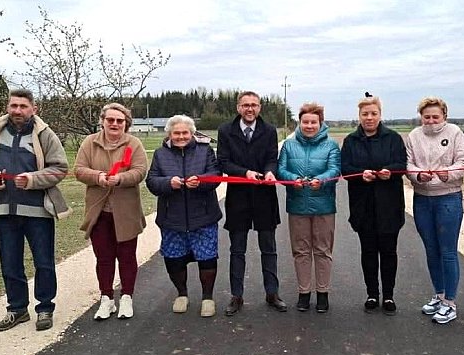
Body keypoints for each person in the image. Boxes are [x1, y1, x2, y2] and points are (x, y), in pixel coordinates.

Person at [0, 88, 71, 332]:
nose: (18, 110)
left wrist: (33, 179)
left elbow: (59, 168)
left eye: (23, 106)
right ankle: (17, 310)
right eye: (14, 105)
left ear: (33, 109)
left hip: (38, 211)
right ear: (8, 107)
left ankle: (45, 307)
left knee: (44, 263)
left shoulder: (44, 134)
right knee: (10, 263)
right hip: (4, 209)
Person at [75, 103, 148, 320]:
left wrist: (121, 179)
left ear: (126, 123)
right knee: (103, 257)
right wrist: (97, 177)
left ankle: (127, 297)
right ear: (103, 121)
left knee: (126, 256)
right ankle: (106, 298)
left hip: (125, 211)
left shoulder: (133, 144)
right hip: (99, 211)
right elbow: (79, 169)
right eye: (110, 120)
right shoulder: (90, 142)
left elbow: (140, 171)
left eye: (119, 121)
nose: (115, 124)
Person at [217, 91, 287, 315]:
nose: (250, 109)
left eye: (254, 105)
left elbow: (272, 157)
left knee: (269, 249)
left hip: (264, 197)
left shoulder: (268, 131)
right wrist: (244, 173)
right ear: (238, 107)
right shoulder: (226, 131)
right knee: (237, 250)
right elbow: (224, 162)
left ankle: (272, 293)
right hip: (238, 197)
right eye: (245, 105)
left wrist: (269, 172)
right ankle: (236, 296)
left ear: (260, 108)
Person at [146, 115, 222, 317]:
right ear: (169, 134)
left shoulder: (205, 151)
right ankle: (182, 293)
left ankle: (207, 297)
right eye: (176, 133)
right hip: (172, 217)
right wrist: (168, 183)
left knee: (207, 258)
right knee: (174, 259)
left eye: (184, 133)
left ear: (192, 133)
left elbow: (216, 175)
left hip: (203, 215)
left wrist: (201, 181)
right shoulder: (160, 154)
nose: (181, 136)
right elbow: (152, 181)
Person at [404, 97, 464, 324]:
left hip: (448, 198)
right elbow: (408, 163)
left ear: (444, 116)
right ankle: (439, 294)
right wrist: (417, 175)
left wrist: (448, 173)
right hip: (422, 198)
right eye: (427, 117)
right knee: (431, 250)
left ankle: (450, 302)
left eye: (435, 116)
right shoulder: (413, 135)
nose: (431, 121)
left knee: (448, 251)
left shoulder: (454, 133)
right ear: (421, 117)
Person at [340, 94, 407, 315]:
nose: (369, 118)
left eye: (373, 114)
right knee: (368, 252)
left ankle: (388, 296)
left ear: (380, 115)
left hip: (389, 204)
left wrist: (390, 171)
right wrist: (361, 175)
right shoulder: (351, 141)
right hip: (363, 206)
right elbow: (346, 169)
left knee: (389, 252)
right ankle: (372, 293)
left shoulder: (393, 138)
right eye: (365, 114)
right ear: (359, 116)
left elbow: (402, 164)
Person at [277, 103, 341, 313]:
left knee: (323, 251)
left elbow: (334, 169)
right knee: (301, 251)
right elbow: (281, 170)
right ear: (300, 122)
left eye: (313, 122)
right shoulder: (289, 145)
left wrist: (321, 180)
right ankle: (304, 292)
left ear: (320, 123)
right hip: (297, 205)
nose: (309, 125)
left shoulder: (331, 145)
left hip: (324, 206)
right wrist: (293, 179)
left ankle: (323, 293)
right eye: (305, 122)